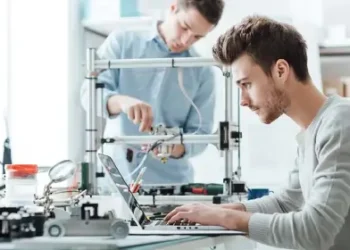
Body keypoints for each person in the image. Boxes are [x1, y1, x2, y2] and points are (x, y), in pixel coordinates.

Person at [164, 15, 350, 250]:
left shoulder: (341, 121)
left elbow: (316, 230)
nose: (243, 100)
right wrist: (217, 211)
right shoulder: (314, 129)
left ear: (281, 71)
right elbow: (286, 203)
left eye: (246, 84)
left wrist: (226, 219)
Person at [80, 0, 225, 185]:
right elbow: (88, 96)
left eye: (197, 37)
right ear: (173, 8)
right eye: (184, 27)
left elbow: (201, 134)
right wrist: (120, 101)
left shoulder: (202, 72)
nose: (186, 41)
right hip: (114, 178)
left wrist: (174, 147)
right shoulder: (123, 42)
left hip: (170, 186)